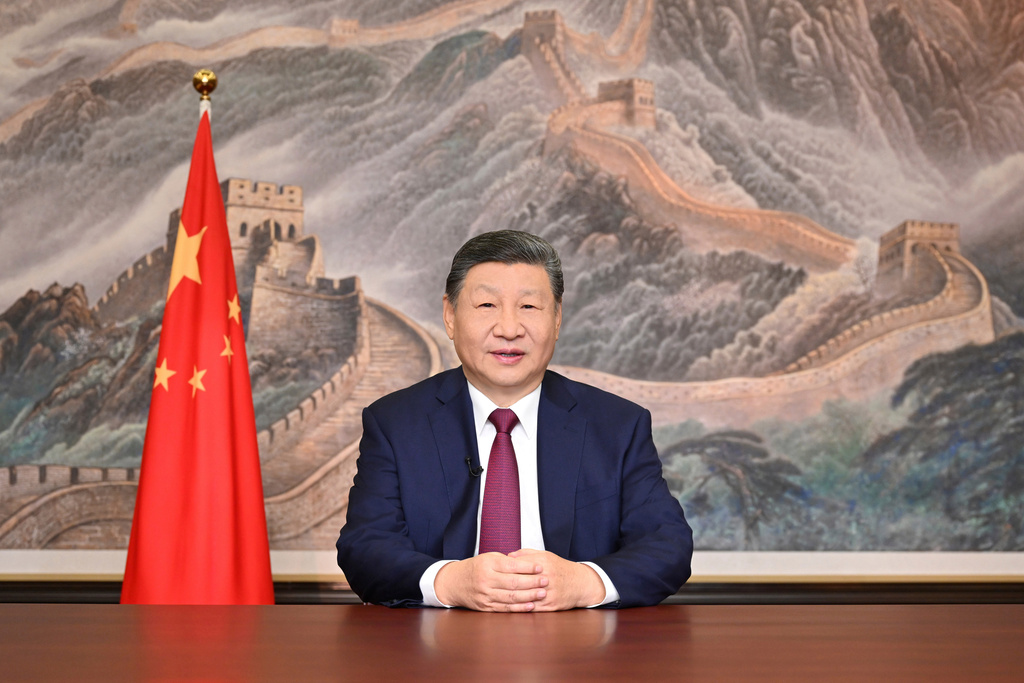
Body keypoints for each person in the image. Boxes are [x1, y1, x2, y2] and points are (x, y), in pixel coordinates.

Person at [337, 230, 692, 611]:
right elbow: (365, 547)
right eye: (487, 305)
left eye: (529, 307)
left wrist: (583, 583)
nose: (509, 328)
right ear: (450, 316)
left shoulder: (618, 426)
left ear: (556, 318)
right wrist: (450, 581)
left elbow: (667, 545)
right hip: (436, 654)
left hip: (582, 653)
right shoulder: (395, 423)